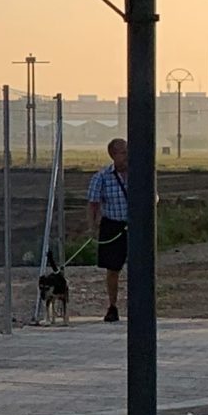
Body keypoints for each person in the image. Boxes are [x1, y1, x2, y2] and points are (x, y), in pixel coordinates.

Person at [86, 137, 130, 323]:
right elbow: (93, 204)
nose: (127, 156)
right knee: (113, 269)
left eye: (128, 151)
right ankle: (113, 306)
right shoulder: (102, 177)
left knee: (140, 267)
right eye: (123, 152)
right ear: (113, 155)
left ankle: (139, 305)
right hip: (112, 226)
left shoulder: (140, 173)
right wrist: (92, 227)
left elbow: (154, 196)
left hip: (136, 226)